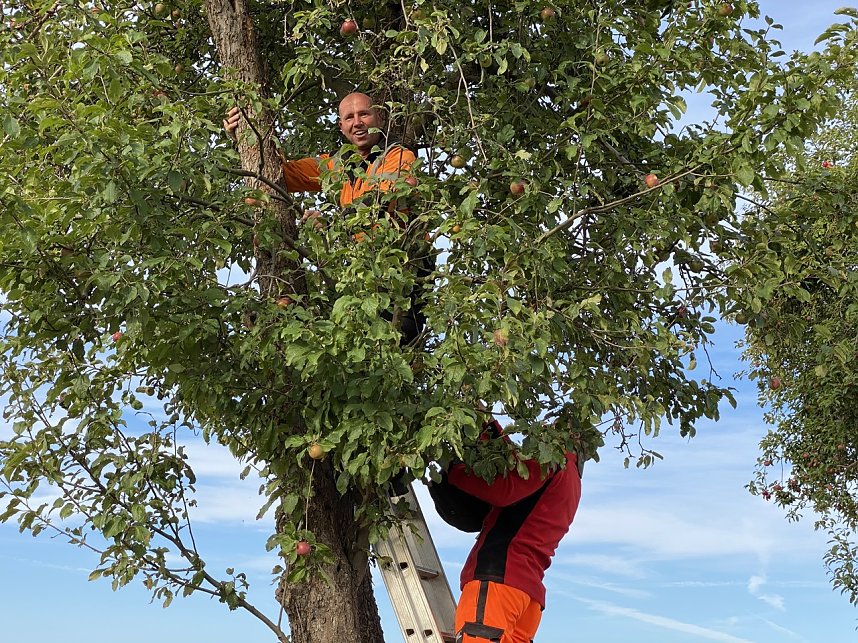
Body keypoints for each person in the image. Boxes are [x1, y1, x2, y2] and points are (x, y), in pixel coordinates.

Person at [224, 92, 428, 343]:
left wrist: (332, 223)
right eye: (349, 117)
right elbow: (279, 175)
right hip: (363, 275)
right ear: (341, 126)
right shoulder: (338, 164)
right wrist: (244, 138)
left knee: (395, 346)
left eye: (364, 114)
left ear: (380, 118)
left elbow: (381, 201)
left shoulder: (399, 156)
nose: (357, 122)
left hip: (403, 272)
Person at [443, 420, 582, 643]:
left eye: (554, 424)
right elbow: (514, 466)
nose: (546, 426)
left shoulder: (550, 458)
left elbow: (506, 488)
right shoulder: (570, 477)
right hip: (527, 594)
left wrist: (450, 471)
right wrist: (488, 426)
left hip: (500, 580)